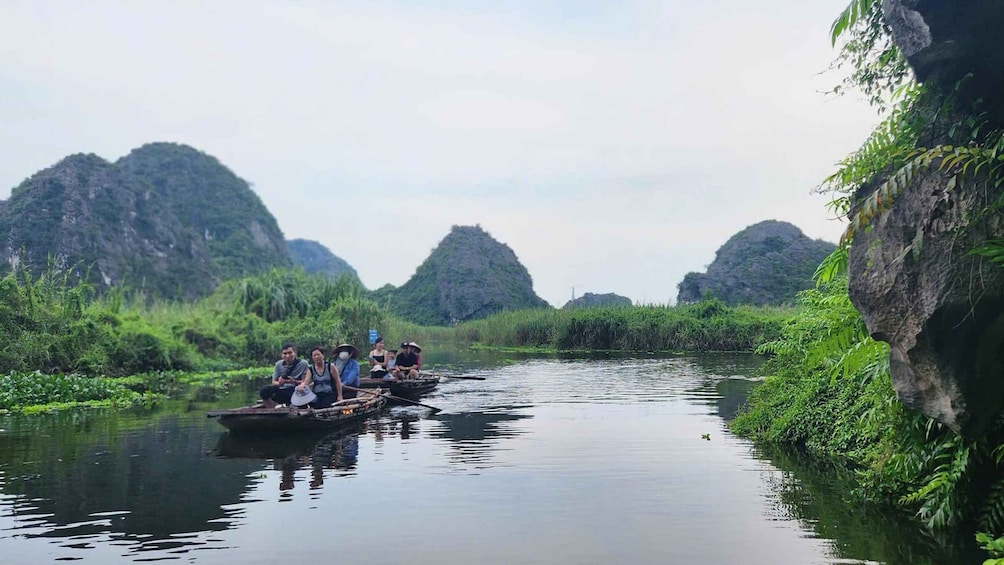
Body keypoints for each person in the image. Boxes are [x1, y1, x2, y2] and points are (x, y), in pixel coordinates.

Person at [260, 343, 309, 409]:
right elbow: (274, 382)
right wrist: (280, 383)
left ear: (295, 353)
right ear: (281, 355)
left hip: (295, 389)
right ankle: (272, 409)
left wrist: (292, 381)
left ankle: (295, 407)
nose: (287, 356)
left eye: (290, 353)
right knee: (264, 391)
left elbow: (305, 382)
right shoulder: (278, 364)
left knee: (301, 391)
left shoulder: (303, 364)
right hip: (282, 389)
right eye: (285, 353)